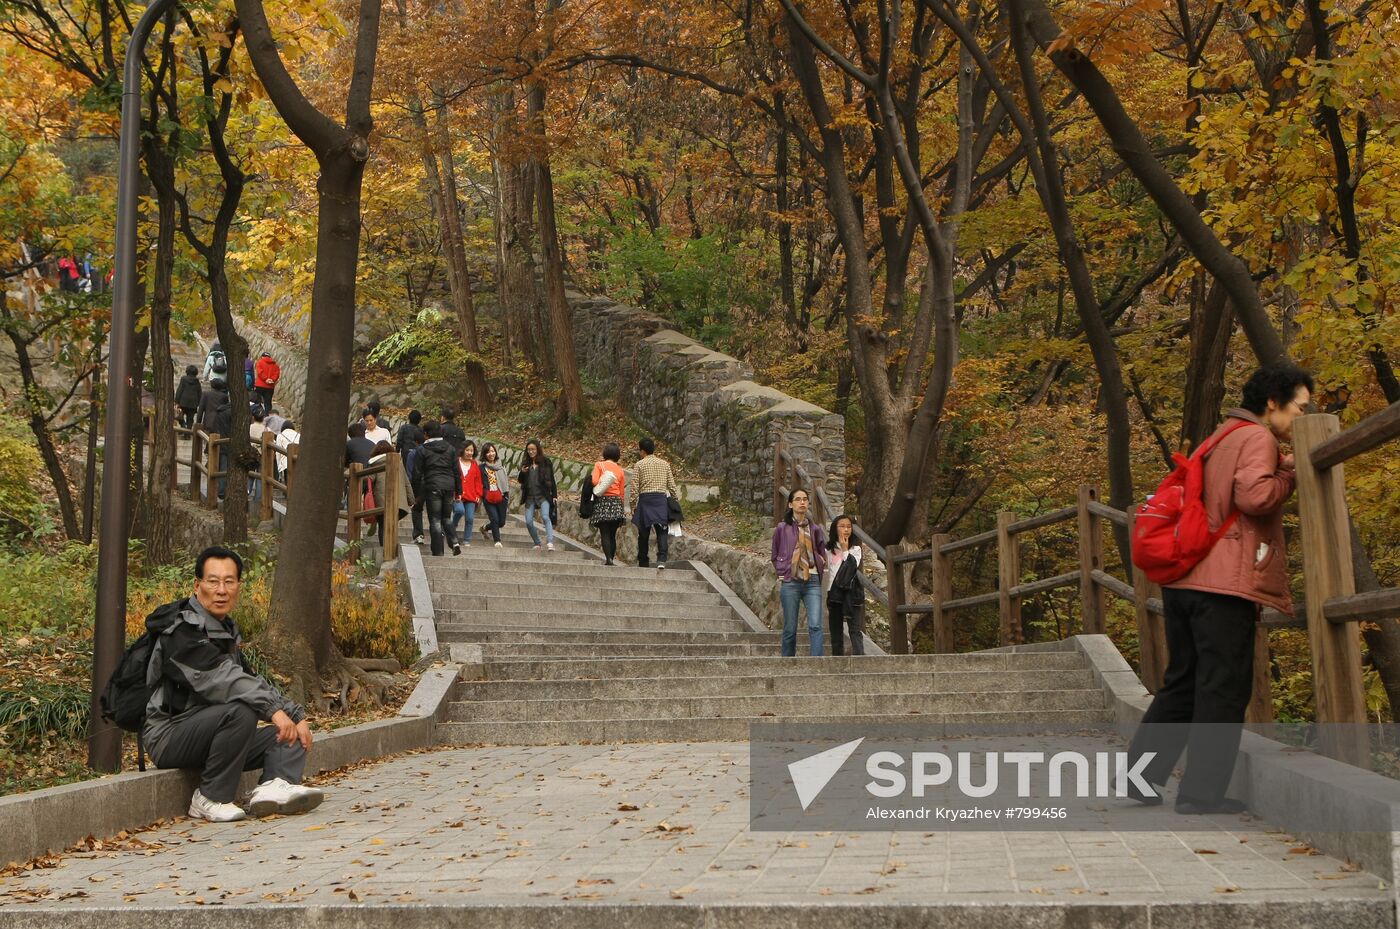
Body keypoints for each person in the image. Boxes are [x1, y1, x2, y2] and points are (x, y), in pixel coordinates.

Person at [1126, 363, 1312, 815]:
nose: (1302, 419)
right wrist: (1291, 474)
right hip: (1222, 583)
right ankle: (1200, 795)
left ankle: (1140, 776)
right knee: (1222, 687)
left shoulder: (1222, 435)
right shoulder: (1257, 438)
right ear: (1273, 402)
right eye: (1300, 408)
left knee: (1184, 680)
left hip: (1185, 578)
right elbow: (1254, 496)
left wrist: (1280, 466)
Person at [144, 546, 323, 822]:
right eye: (213, 581)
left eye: (229, 581)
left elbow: (250, 680)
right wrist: (275, 711)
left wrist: (293, 714)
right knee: (242, 711)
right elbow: (226, 680)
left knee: (291, 735)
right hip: (170, 736)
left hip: (214, 731)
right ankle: (209, 797)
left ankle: (274, 787)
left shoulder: (223, 630)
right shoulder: (181, 633)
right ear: (197, 585)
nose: (221, 590)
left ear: (239, 586)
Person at [771, 489, 827, 657]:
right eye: (798, 499)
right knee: (790, 627)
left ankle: (817, 664)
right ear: (790, 504)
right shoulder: (782, 528)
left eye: (805, 499)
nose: (802, 502)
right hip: (791, 581)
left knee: (816, 625)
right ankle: (788, 664)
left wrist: (820, 562)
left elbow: (821, 551)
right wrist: (782, 571)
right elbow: (775, 554)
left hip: (812, 580)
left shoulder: (815, 528)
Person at [413, 421, 461, 556]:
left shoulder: (422, 449)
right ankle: (455, 541)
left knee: (435, 520)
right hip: (449, 485)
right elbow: (456, 471)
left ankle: (438, 551)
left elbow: (417, 473)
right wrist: (459, 490)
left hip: (433, 485)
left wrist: (416, 493)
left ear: (426, 434)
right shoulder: (451, 448)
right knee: (446, 517)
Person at [629, 437, 677, 569]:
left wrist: (633, 505)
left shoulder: (639, 465)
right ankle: (661, 560)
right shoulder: (665, 464)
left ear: (642, 451)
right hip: (661, 500)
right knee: (662, 531)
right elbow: (672, 486)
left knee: (643, 533)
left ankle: (643, 561)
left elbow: (634, 488)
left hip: (645, 500)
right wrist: (675, 501)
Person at [824, 515, 865, 656]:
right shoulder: (828, 550)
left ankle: (860, 660)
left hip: (851, 593)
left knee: (855, 629)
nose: (846, 529)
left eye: (848, 526)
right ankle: (838, 662)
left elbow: (852, 567)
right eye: (842, 526)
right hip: (834, 593)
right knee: (835, 631)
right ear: (835, 528)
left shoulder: (856, 550)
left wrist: (845, 549)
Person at [517, 439, 557, 551]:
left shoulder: (546, 462)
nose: (531, 451)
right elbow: (520, 480)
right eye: (529, 449)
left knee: (545, 516)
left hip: (543, 495)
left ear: (538, 449)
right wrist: (522, 472)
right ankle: (537, 542)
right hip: (530, 497)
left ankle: (550, 542)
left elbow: (552, 479)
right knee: (529, 521)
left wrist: (554, 495)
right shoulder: (526, 463)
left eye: (533, 449)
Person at [590, 443, 626, 566]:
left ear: (605, 453)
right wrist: (621, 506)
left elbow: (594, 481)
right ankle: (612, 557)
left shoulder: (599, 465)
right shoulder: (620, 470)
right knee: (612, 534)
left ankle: (608, 559)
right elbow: (621, 491)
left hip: (603, 501)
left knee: (604, 532)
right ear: (617, 455)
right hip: (616, 502)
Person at [451, 440, 483, 546]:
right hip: (457, 494)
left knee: (470, 518)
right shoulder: (456, 461)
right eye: (467, 450)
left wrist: (478, 495)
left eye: (472, 450)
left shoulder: (474, 464)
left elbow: (478, 481)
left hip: (471, 495)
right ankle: (451, 527)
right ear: (462, 450)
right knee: (459, 511)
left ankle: (467, 540)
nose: (470, 453)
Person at [480, 443, 509, 549]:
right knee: (495, 519)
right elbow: (480, 483)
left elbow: (505, 481)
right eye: (488, 452)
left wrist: (506, 494)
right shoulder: (482, 468)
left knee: (501, 522)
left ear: (495, 452)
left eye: (492, 451)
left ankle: (484, 528)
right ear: (484, 454)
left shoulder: (501, 466)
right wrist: (484, 494)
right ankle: (497, 541)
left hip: (501, 495)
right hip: (489, 497)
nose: (491, 454)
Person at [176, 364, 203, 430]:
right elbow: (199, 392)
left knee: (180, 416)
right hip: (193, 403)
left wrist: (177, 401)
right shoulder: (197, 381)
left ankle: (183, 426)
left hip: (183, 401)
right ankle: (187, 434)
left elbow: (180, 390)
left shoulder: (183, 379)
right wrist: (199, 403)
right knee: (190, 419)